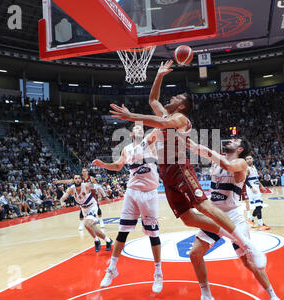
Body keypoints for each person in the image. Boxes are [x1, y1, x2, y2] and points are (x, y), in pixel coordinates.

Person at [109, 59, 265, 268]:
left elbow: (162, 123)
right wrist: (159, 75)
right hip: (166, 172)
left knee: (203, 205)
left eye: (176, 97)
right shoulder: (168, 113)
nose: (171, 97)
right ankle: (228, 234)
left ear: (181, 106)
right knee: (187, 218)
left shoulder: (181, 118)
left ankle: (246, 243)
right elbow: (153, 99)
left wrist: (131, 116)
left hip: (180, 166)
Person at [186, 136, 279, 300]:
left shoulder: (241, 163)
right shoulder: (217, 159)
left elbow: (227, 164)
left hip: (233, 216)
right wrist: (187, 142)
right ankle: (206, 294)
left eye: (235, 141)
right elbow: (200, 149)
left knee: (247, 261)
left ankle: (272, 294)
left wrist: (208, 152)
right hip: (214, 214)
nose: (230, 140)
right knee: (195, 254)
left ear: (240, 149)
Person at [92, 124, 163, 293]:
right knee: (122, 232)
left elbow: (157, 130)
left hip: (149, 193)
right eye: (136, 128)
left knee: (153, 234)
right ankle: (112, 269)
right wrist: (103, 165)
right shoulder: (126, 149)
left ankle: (158, 273)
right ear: (131, 133)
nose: (139, 129)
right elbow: (117, 166)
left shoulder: (148, 142)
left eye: (141, 128)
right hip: (132, 192)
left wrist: (163, 116)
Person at [59, 175, 113, 252]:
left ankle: (96, 241)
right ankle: (108, 240)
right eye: (75, 178)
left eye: (79, 178)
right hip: (84, 209)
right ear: (73, 180)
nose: (77, 180)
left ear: (81, 180)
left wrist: (105, 197)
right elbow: (63, 197)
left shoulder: (86, 186)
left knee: (87, 224)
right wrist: (61, 202)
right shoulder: (71, 189)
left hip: (92, 206)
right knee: (93, 228)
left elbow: (98, 187)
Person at [245, 155, 270, 231]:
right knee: (259, 205)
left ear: (252, 159)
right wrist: (251, 188)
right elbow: (245, 180)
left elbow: (256, 179)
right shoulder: (247, 169)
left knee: (259, 206)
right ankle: (261, 224)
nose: (249, 160)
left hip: (256, 188)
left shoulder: (254, 167)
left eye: (250, 158)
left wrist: (261, 186)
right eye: (247, 159)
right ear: (245, 161)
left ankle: (251, 219)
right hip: (252, 189)